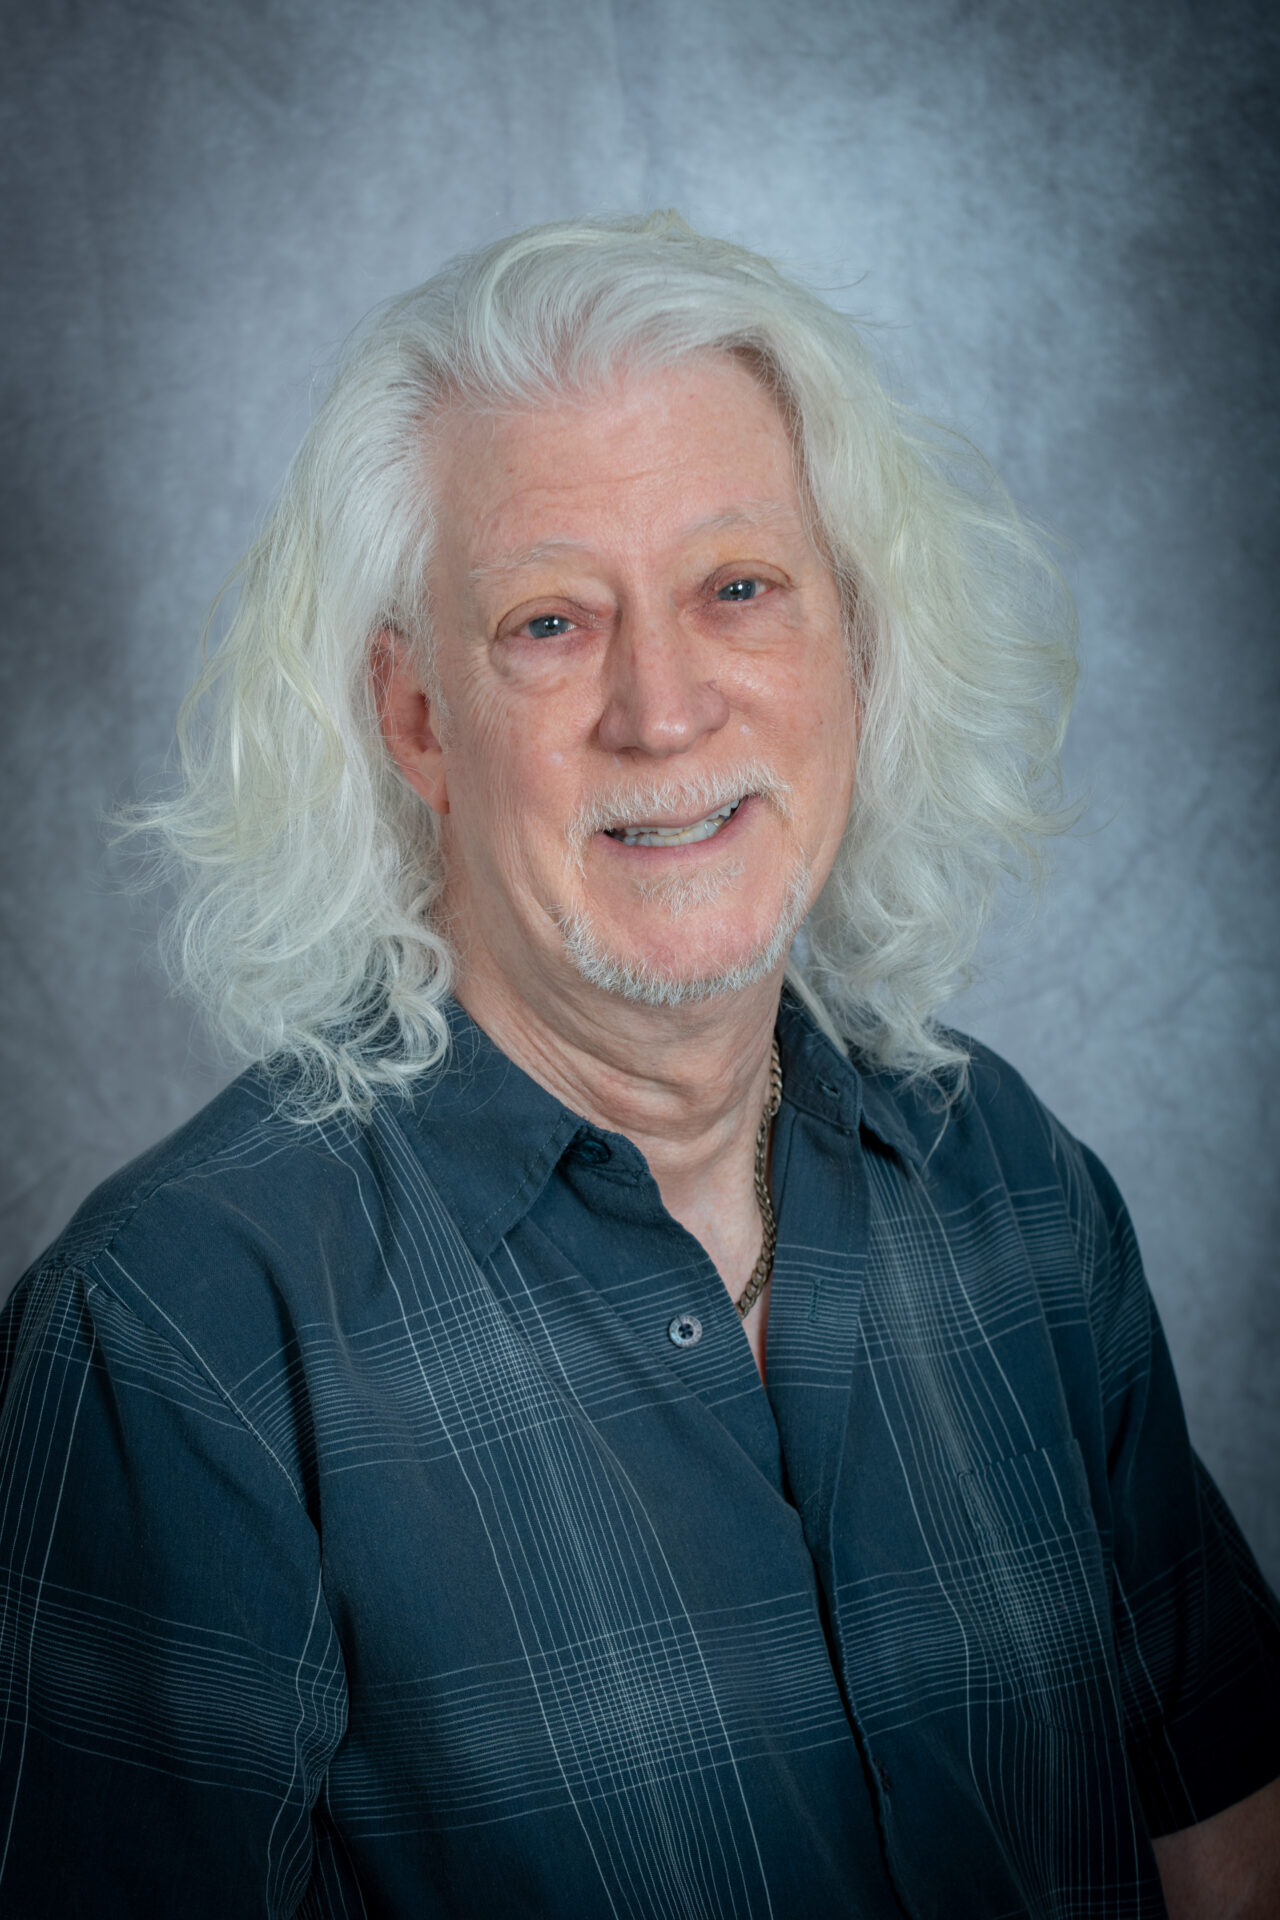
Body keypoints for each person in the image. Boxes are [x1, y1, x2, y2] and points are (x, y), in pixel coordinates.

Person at [0, 214, 1276, 1920]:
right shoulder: (171, 1345)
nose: (662, 711)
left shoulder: (1013, 1184)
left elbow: (1229, 1848)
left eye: (740, 588)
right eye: (548, 622)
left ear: (855, 649)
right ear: (416, 720)